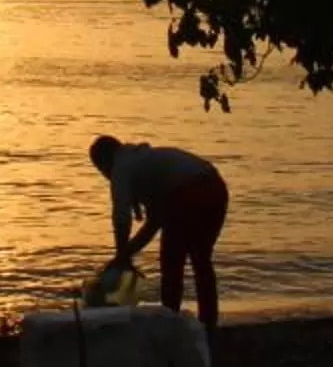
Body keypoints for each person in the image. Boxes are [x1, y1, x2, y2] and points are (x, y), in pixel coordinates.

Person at [88, 135, 228, 330]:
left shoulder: (121, 166)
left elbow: (121, 216)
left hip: (189, 191)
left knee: (172, 262)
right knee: (201, 260)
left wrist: (121, 255)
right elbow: (153, 224)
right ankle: (209, 323)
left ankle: (170, 322)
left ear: (104, 162)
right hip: (215, 186)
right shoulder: (144, 164)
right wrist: (125, 255)